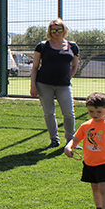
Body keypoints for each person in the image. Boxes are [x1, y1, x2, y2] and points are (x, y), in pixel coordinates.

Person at [30, 19, 79, 149]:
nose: (57, 32)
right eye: (54, 30)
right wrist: (33, 86)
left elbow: (74, 65)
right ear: (50, 31)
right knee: (49, 112)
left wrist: (68, 77)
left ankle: (70, 140)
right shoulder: (42, 46)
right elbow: (35, 67)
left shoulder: (72, 46)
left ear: (64, 30)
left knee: (69, 112)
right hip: (44, 84)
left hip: (64, 85)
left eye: (59, 30)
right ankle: (54, 140)